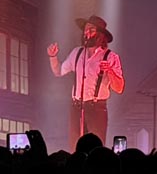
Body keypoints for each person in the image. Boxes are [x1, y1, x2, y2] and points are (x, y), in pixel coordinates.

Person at [48, 14, 125, 145]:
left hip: (97, 108)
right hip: (77, 106)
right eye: (86, 29)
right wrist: (53, 56)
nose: (87, 32)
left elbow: (119, 88)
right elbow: (59, 71)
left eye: (91, 29)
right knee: (75, 146)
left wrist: (110, 71)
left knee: (96, 148)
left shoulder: (111, 57)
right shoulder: (77, 53)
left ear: (100, 34)